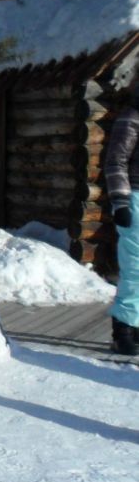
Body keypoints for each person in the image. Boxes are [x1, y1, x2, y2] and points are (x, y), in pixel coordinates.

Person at [106, 80, 139, 356]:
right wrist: (121, 202)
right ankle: (122, 331)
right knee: (135, 269)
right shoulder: (131, 117)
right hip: (136, 199)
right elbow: (115, 160)